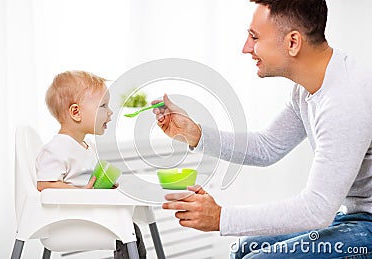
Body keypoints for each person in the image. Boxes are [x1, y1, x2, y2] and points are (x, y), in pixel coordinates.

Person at [152, 0, 372, 258]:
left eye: (254, 37)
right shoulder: (308, 88)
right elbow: (269, 146)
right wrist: (195, 134)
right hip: (350, 218)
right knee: (244, 248)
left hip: (364, 225)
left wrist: (221, 217)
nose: (246, 48)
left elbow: (316, 209)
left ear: (293, 42)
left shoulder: (344, 99)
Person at [36, 70, 147, 258]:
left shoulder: (87, 147)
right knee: (127, 231)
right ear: (76, 112)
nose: (110, 112)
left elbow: (87, 182)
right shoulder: (57, 148)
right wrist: (81, 194)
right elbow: (45, 185)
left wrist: (104, 187)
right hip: (69, 221)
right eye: (103, 106)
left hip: (88, 214)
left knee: (131, 229)